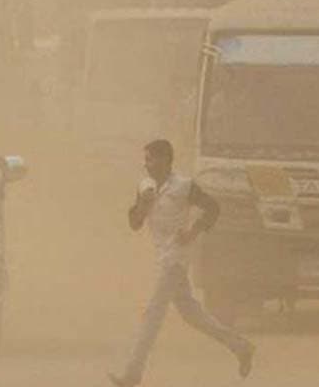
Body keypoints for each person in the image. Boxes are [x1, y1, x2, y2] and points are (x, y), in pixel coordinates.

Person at [108, 140, 255, 387]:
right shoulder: (145, 186)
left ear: (166, 160)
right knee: (191, 314)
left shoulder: (184, 186)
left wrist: (193, 232)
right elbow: (134, 224)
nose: (147, 165)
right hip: (163, 256)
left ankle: (132, 374)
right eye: (145, 160)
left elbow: (213, 208)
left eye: (151, 159)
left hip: (176, 258)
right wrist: (143, 205)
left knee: (152, 315)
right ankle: (241, 347)